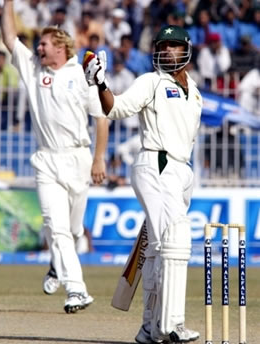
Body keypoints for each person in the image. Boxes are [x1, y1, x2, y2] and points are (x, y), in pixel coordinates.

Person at [83, 25, 202, 343]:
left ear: (186, 51)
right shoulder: (151, 82)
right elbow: (115, 108)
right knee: (176, 239)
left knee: (156, 249)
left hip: (181, 171)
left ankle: (149, 327)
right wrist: (101, 83)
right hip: (156, 164)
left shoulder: (197, 92)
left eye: (173, 46)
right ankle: (171, 324)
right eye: (162, 46)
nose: (166, 51)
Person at [1, 0, 108, 314]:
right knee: (58, 229)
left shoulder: (81, 74)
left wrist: (99, 160)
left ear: (61, 47)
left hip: (78, 158)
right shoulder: (33, 69)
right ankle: (76, 290)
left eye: (45, 44)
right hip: (46, 160)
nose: (38, 47)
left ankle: (56, 265)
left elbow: (101, 119)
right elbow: (9, 38)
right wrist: (8, 2)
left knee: (74, 231)